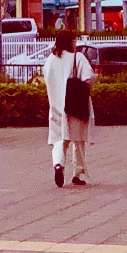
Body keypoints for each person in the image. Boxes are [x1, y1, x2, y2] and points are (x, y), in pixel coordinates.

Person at [43, 28, 94, 187]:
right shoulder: (77, 57)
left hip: (56, 105)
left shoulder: (50, 60)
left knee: (59, 139)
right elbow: (88, 77)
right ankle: (78, 173)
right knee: (78, 140)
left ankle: (58, 164)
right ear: (71, 42)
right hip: (75, 105)